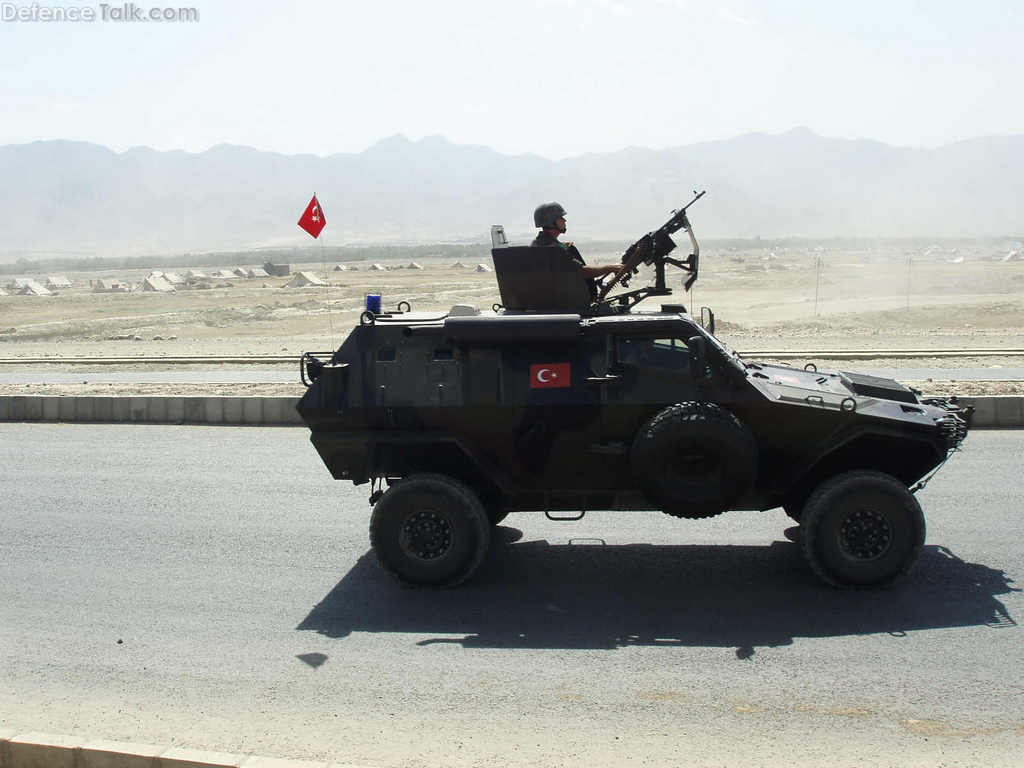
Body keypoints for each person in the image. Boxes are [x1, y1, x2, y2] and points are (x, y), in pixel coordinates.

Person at [531, 202, 624, 282]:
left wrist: (562, 247)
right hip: (567, 297)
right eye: (560, 218)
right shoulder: (556, 250)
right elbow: (583, 272)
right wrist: (611, 267)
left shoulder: (535, 244)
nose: (564, 220)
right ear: (551, 223)